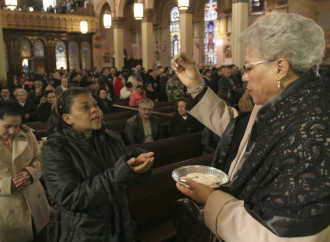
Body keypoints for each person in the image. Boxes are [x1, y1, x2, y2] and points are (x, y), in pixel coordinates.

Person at [173, 13, 329, 241]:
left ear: (280, 68)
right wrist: (196, 85)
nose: (244, 77)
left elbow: (278, 235)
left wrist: (212, 200)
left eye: (248, 68)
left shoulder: (312, 129)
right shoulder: (288, 102)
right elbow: (243, 137)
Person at [41, 88, 154, 241]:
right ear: (68, 119)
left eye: (95, 104)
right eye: (85, 107)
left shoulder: (110, 138)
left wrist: (138, 168)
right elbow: (71, 198)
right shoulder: (56, 149)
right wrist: (116, 176)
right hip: (82, 233)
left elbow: (124, 183)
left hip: (119, 226)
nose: (95, 109)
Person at [0, 100, 49, 241]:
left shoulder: (27, 135)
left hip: (35, 204)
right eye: (7, 126)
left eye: (17, 126)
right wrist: (8, 185)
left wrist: (31, 173)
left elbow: (40, 158)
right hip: (7, 208)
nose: (12, 131)